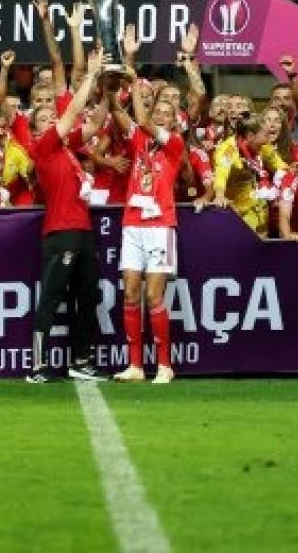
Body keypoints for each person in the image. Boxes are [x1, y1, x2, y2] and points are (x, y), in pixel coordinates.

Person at [25, 47, 110, 383]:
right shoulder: (42, 148)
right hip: (60, 232)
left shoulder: (67, 149)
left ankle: (81, 359)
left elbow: (97, 122)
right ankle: (37, 365)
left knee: (89, 296)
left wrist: (107, 88)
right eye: (44, 118)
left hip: (83, 230)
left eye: (52, 117)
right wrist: (89, 75)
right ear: (36, 129)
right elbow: (73, 114)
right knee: (51, 298)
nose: (51, 120)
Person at [109, 55, 185, 384]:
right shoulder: (139, 140)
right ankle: (136, 366)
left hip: (159, 227)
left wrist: (133, 74)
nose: (161, 118)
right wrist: (109, 84)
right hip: (133, 224)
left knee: (154, 297)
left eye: (167, 115)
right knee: (130, 294)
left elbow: (138, 116)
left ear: (174, 122)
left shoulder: (175, 145)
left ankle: (164, 365)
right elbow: (117, 112)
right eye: (159, 113)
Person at [212, 114, 289, 236]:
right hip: (236, 217)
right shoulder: (228, 150)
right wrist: (220, 195)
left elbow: (281, 168)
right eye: (265, 133)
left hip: (259, 212)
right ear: (250, 136)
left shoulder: (264, 145)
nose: (268, 136)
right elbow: (221, 174)